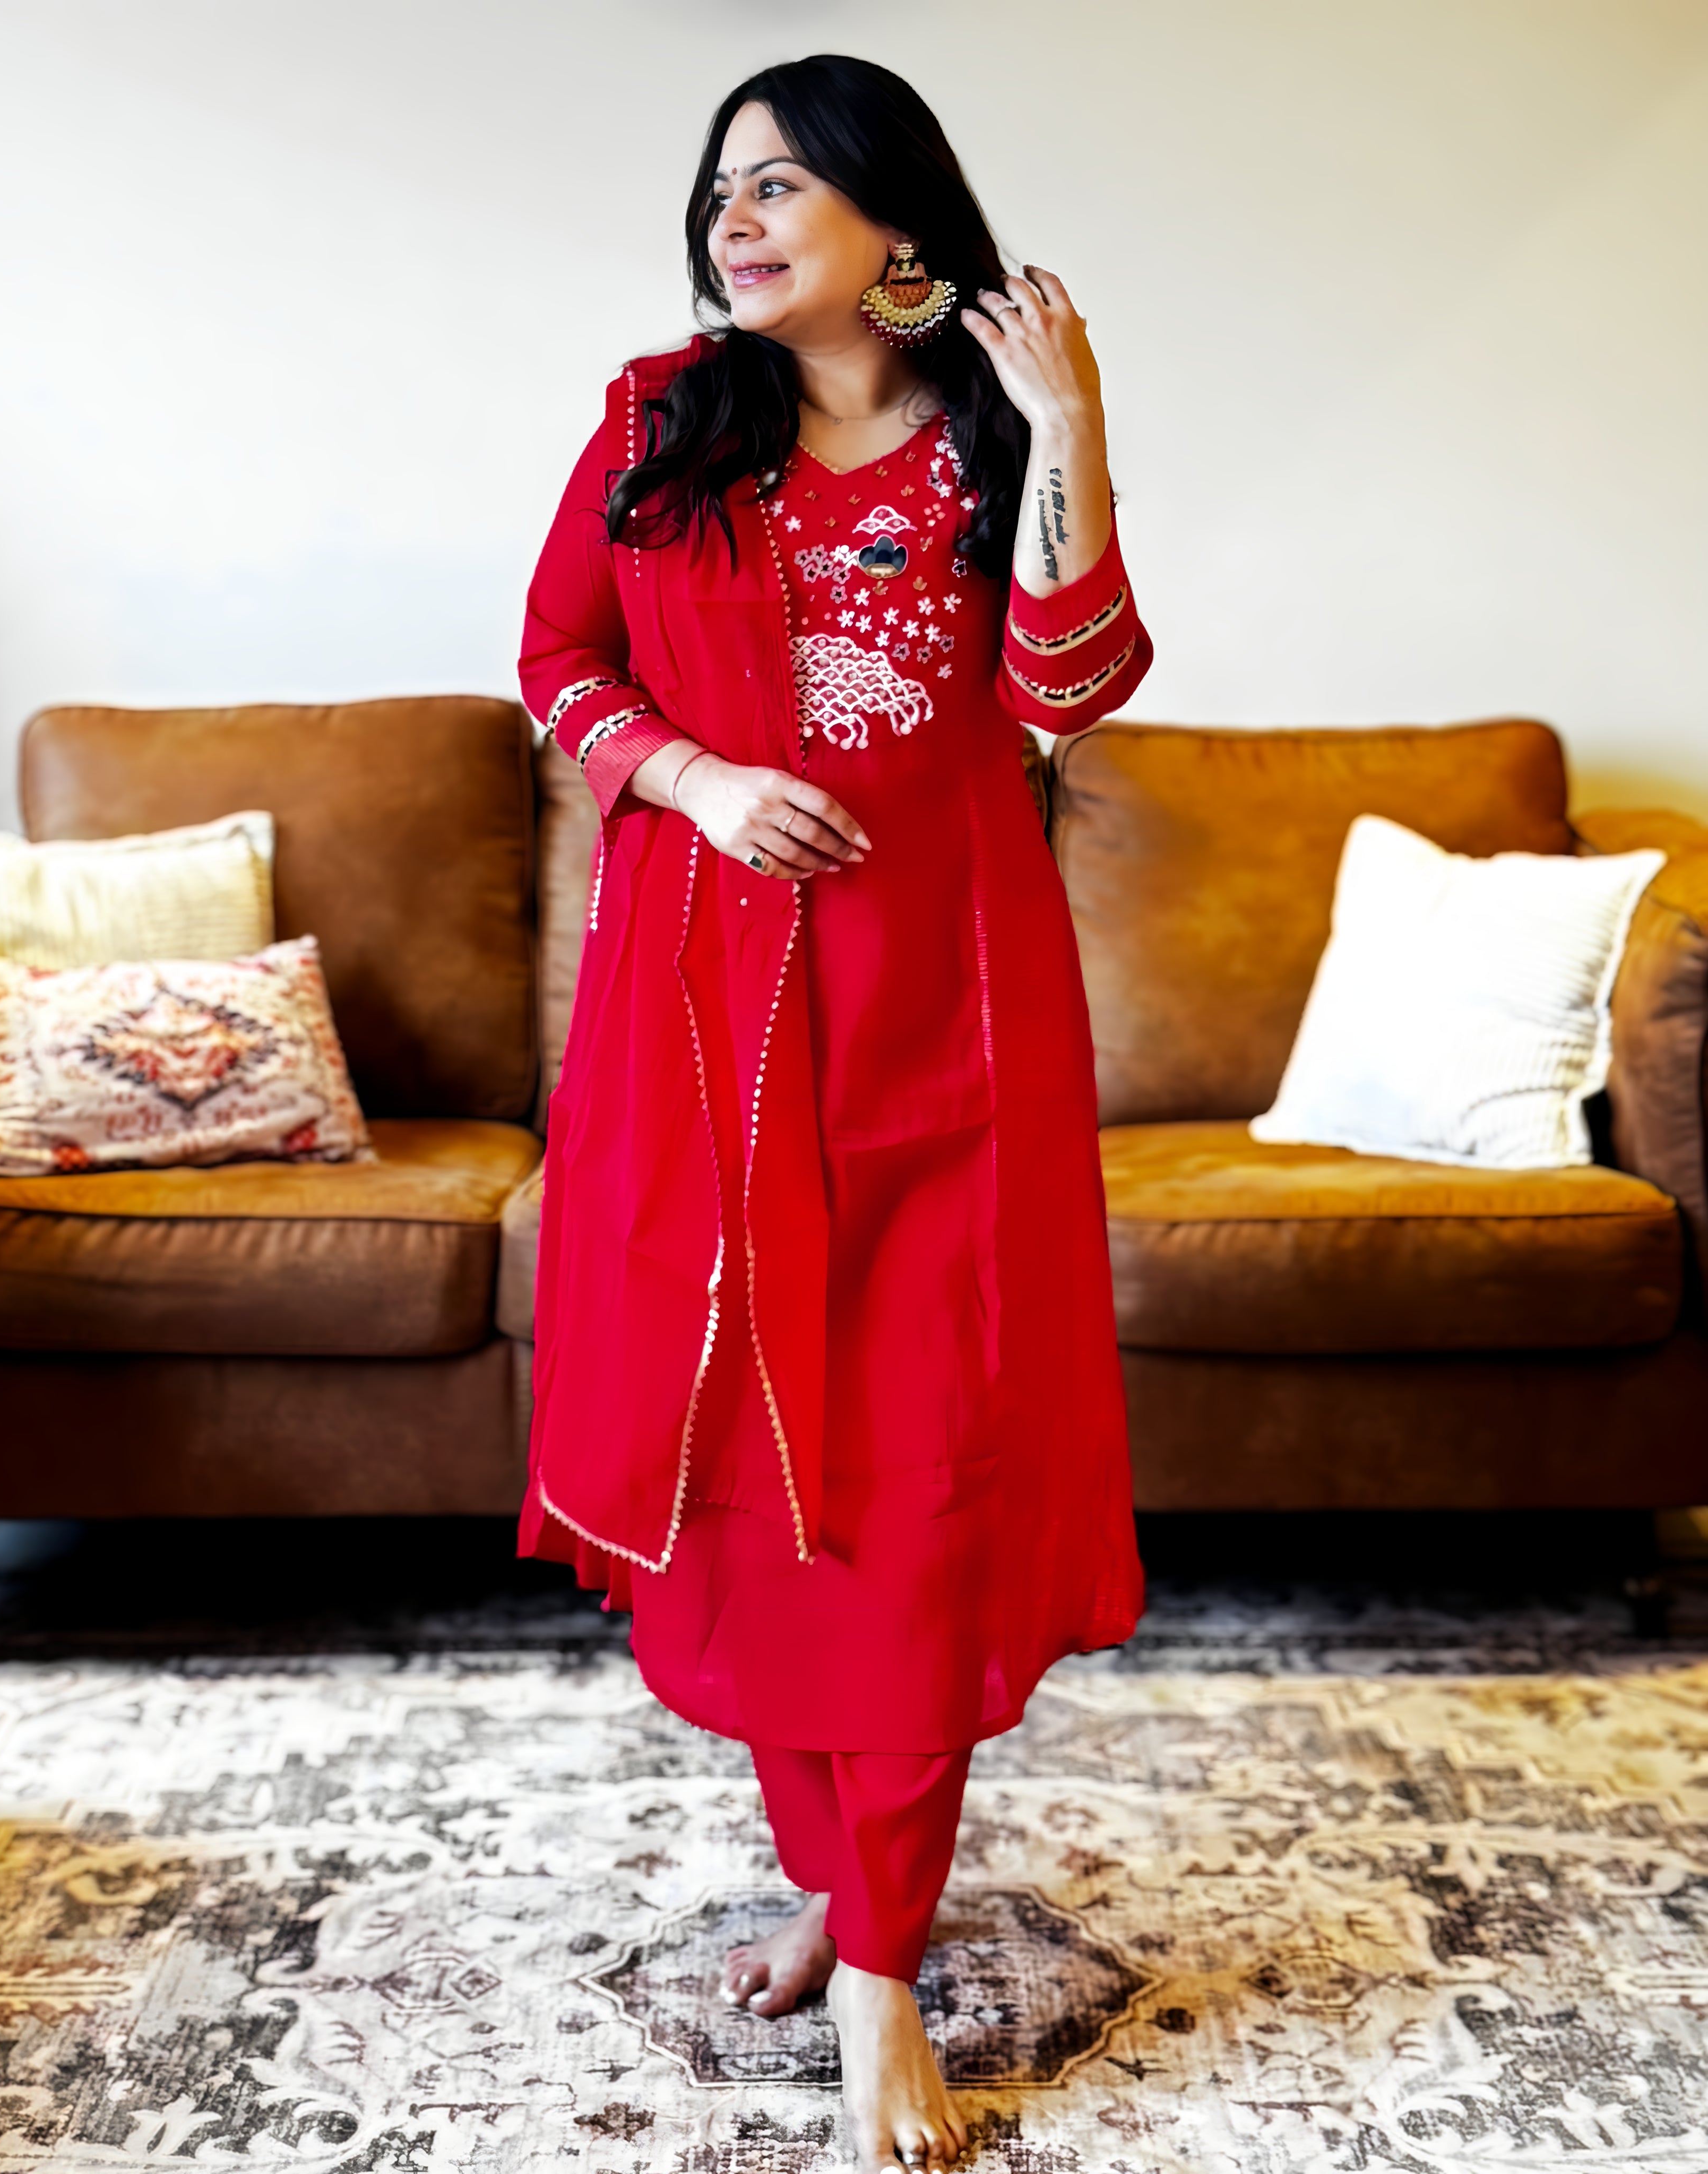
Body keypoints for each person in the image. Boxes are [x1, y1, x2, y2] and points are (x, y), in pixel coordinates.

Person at [517, 53, 1150, 2171]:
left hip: (948, 1040)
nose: (736, 217)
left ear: (897, 222)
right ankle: (850, 1888)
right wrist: (690, 778)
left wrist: (1070, 429)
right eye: (720, 190)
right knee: (749, 1464)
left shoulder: (988, 446)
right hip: (703, 1027)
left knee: (917, 1479)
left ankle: (878, 1959)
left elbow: (1066, 689)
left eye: (782, 183)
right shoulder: (658, 425)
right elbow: (557, 659)